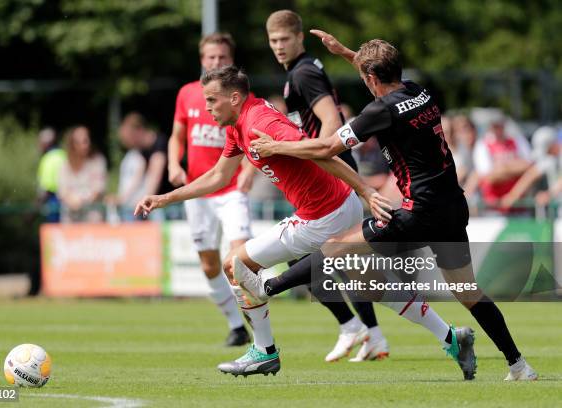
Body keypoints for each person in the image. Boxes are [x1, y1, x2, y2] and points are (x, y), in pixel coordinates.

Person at [135, 65, 476, 379]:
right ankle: (451, 337)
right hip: (336, 207)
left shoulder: (260, 123)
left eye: (212, 100)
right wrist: (164, 198)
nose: (207, 107)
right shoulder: (238, 126)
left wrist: (365, 190)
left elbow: (321, 152)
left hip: (323, 215)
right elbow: (218, 177)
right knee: (374, 286)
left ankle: (264, 351)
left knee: (235, 264)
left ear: (234, 98)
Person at [249, 32, 537, 381]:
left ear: (370, 78)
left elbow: (326, 148)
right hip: (452, 206)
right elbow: (378, 69)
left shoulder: (379, 111)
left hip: (421, 212)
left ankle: (267, 288)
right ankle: (518, 365)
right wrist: (346, 53)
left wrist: (276, 148)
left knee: (337, 248)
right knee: (467, 291)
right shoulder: (419, 91)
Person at [266, 10, 389, 362]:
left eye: (284, 39)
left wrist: (315, 161)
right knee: (340, 261)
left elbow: (331, 123)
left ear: (299, 37)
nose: (278, 47)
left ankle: (354, 327)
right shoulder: (301, 72)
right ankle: (371, 334)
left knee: (312, 262)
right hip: (336, 174)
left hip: (333, 176)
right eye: (273, 41)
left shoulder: (302, 73)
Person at [167, 32, 253, 347]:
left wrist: (250, 168)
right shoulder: (187, 94)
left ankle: (258, 322)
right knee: (209, 264)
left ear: (231, 61)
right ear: (202, 60)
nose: (216, 62)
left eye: (222, 58)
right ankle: (236, 325)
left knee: (240, 259)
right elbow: (176, 135)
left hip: (230, 189)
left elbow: (255, 136)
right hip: (198, 191)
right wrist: (173, 165)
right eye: (210, 58)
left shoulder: (239, 97)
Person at [472, 113, 532, 214]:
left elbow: (529, 166)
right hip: (494, 206)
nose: (498, 129)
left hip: (519, 205)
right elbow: (489, 177)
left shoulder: (517, 140)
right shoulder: (483, 144)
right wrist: (516, 171)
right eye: (495, 126)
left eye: (500, 125)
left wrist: (503, 168)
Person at [58, 126, 107, 223]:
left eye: (86, 140)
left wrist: (82, 201)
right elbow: (62, 191)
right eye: (80, 142)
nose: (85, 145)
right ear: (73, 145)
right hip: (70, 218)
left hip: (92, 217)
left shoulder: (97, 161)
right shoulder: (65, 164)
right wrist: (72, 201)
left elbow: (98, 189)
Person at [36, 127, 66, 222]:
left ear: (46, 143)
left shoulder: (48, 159)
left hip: (54, 204)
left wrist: (32, 213)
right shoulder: (64, 154)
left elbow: (45, 190)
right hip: (69, 204)